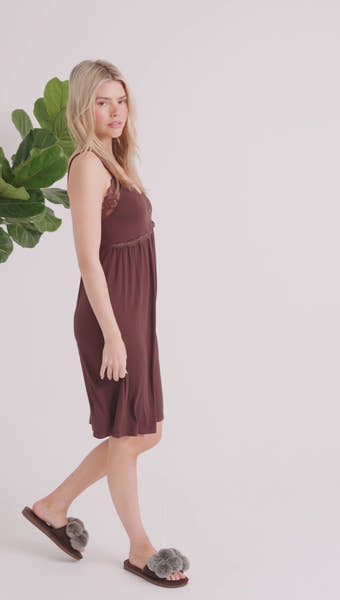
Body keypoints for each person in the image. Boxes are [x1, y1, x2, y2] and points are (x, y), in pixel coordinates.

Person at [22, 59, 189, 588]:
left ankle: (54, 505)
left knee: (143, 431)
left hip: (132, 314)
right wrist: (113, 335)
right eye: (102, 102)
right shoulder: (88, 165)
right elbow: (88, 259)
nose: (116, 111)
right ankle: (140, 548)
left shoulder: (115, 160)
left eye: (121, 100)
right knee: (130, 432)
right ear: (83, 108)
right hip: (108, 317)